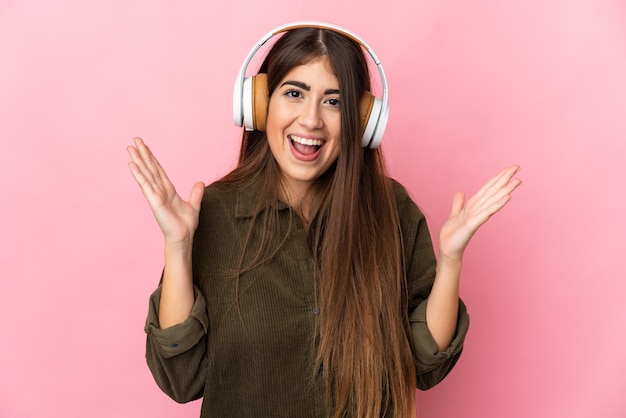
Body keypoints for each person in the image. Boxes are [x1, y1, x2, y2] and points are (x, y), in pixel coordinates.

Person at [127, 22, 521, 418]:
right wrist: (178, 247)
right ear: (259, 104)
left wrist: (451, 259)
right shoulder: (212, 213)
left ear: (362, 121)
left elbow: (424, 364)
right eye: (294, 94)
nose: (311, 120)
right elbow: (181, 380)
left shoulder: (392, 210)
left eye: (333, 102)